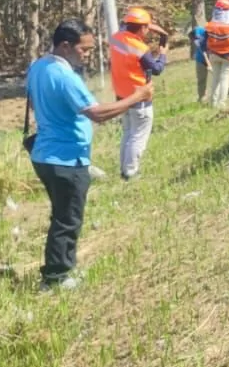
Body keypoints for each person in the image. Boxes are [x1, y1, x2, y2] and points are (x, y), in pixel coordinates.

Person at [28, 19, 154, 291]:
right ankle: (56, 278)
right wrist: (137, 96)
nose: (86, 55)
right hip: (65, 159)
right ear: (65, 46)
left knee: (62, 215)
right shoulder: (65, 77)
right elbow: (98, 114)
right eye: (83, 50)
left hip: (44, 155)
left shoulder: (38, 66)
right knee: (67, 219)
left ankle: (60, 269)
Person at [109, 7, 169, 181]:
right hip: (139, 96)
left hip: (122, 95)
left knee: (128, 132)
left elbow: (126, 26)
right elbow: (157, 69)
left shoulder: (116, 39)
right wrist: (163, 54)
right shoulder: (140, 48)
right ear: (142, 27)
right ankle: (131, 172)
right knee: (138, 135)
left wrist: (152, 26)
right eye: (147, 27)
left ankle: (124, 169)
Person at [202, 0, 229, 109]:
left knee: (215, 78)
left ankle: (213, 102)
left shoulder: (209, 26)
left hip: (214, 54)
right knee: (224, 78)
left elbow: (205, 40)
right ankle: (222, 103)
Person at [189, 24, 210, 103]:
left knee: (214, 79)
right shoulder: (200, 31)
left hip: (213, 59)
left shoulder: (216, 33)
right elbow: (191, 34)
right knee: (201, 79)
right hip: (201, 59)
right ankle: (201, 97)